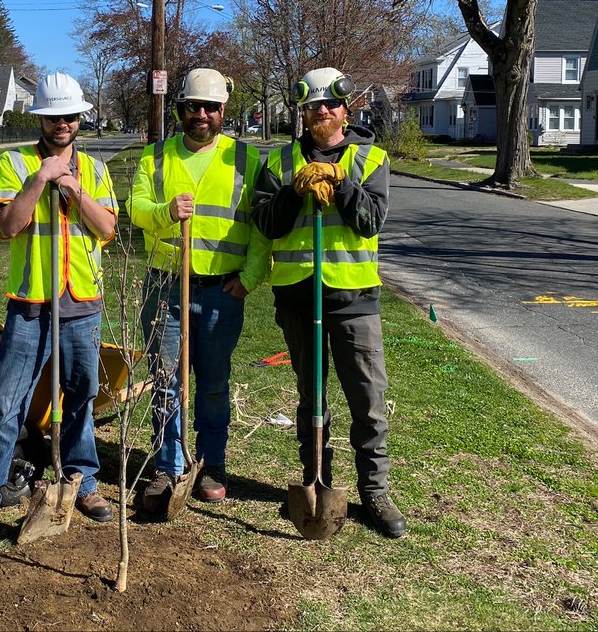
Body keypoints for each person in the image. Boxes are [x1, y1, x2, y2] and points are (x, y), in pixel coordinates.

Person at [0, 72, 118, 548]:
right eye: (53, 117)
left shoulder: (94, 168)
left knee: (81, 400)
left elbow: (107, 228)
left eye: (69, 116)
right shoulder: (14, 162)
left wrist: (71, 187)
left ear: (79, 118)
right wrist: (40, 179)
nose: (62, 124)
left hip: (82, 304)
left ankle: (82, 483)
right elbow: (6, 226)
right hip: (30, 306)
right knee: (6, 405)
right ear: (40, 119)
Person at [249, 67, 407, 539]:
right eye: (314, 106)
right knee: (311, 399)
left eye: (330, 105)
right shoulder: (278, 162)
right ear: (303, 111)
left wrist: (340, 184)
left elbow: (369, 221)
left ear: (345, 109)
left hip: (354, 299)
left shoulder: (370, 159)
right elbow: (268, 225)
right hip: (299, 298)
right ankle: (316, 481)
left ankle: (374, 492)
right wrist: (294, 192)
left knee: (368, 401)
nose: (323, 112)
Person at [127, 67, 269, 515]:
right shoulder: (156, 158)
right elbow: (134, 209)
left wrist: (248, 279)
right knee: (166, 382)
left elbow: (261, 228)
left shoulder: (246, 159)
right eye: (193, 107)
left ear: (223, 111)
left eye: (210, 107)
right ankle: (167, 465)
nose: (201, 115)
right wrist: (165, 211)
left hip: (221, 292)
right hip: (166, 285)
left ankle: (211, 463)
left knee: (212, 383)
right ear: (180, 110)